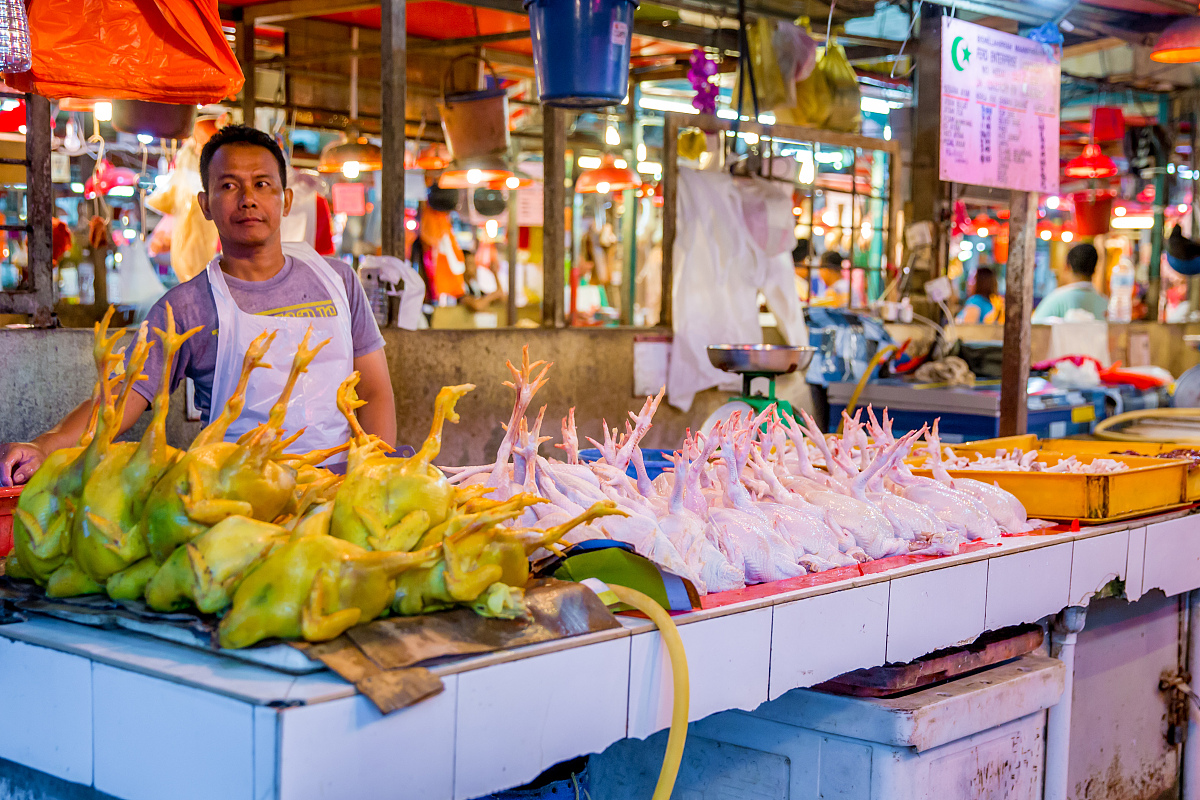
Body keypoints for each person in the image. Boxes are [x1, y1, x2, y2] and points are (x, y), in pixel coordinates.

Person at [0, 125, 395, 484]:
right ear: (205, 204)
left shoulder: (338, 280)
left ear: (285, 200)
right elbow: (121, 396)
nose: (248, 200)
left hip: (341, 489)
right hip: (236, 500)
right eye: (229, 186)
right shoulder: (186, 307)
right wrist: (47, 445)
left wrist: (374, 477)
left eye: (262, 184)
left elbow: (376, 391)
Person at [1032, 242, 1109, 322]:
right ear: (1095, 269)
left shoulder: (1053, 301)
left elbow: (1035, 326)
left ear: (1067, 266)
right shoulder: (1106, 305)